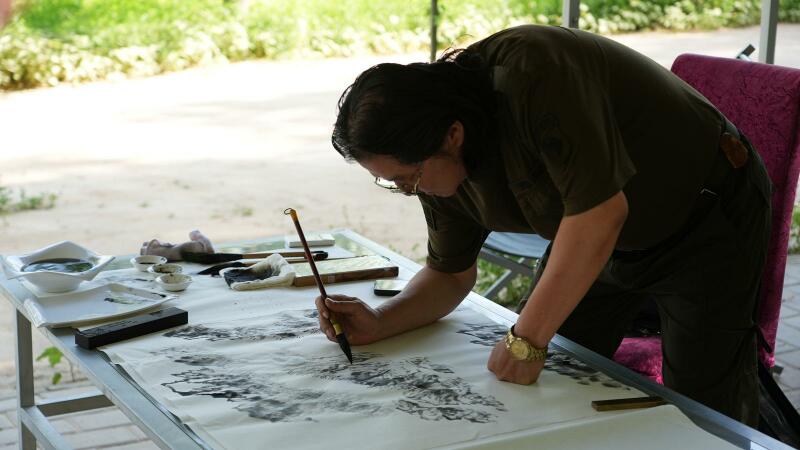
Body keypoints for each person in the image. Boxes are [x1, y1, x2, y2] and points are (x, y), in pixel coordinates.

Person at [316, 24, 772, 426]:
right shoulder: (435, 162)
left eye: (409, 178)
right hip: (597, 239)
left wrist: (527, 340)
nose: (408, 190)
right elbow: (449, 274)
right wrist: (380, 321)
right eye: (393, 182)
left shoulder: (536, 72)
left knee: (703, 409)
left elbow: (600, 214)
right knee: (556, 374)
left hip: (703, 212)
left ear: (452, 135)